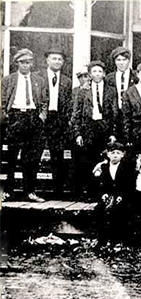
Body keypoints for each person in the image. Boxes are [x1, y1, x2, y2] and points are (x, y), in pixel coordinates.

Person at [1, 48, 47, 202]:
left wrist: (42, 116)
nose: (26, 65)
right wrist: (6, 118)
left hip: (33, 118)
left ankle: (30, 192)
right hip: (15, 117)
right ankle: (8, 192)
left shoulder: (39, 80)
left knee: (31, 158)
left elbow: (44, 101)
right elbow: (2, 102)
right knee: (12, 157)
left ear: (32, 63)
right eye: (22, 62)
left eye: (28, 62)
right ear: (17, 64)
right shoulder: (8, 80)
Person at [71, 60, 117, 198]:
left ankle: (102, 192)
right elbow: (76, 113)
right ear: (90, 74)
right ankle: (89, 192)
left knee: (103, 160)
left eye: (100, 71)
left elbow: (114, 113)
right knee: (88, 161)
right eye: (94, 71)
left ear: (104, 74)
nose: (97, 74)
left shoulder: (111, 90)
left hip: (104, 127)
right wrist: (78, 133)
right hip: (88, 128)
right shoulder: (83, 91)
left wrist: (113, 133)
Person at [36, 47, 73, 198]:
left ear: (63, 62)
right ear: (47, 60)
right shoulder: (38, 77)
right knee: (36, 152)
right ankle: (34, 190)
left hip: (59, 120)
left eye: (60, 59)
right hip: (41, 118)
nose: (57, 62)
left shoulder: (66, 81)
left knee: (57, 155)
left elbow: (69, 103)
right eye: (54, 58)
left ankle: (57, 191)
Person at [93, 142, 134, 240]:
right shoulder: (104, 167)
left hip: (122, 196)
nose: (115, 155)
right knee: (99, 210)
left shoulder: (127, 168)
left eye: (118, 153)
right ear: (108, 154)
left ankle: (119, 239)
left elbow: (129, 185)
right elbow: (100, 184)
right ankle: (103, 239)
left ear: (122, 155)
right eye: (113, 153)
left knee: (122, 212)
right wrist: (103, 194)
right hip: (108, 195)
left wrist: (122, 195)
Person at [105, 47, 138, 141]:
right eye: (118, 60)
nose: (121, 63)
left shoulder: (136, 77)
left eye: (124, 60)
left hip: (132, 117)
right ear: (115, 61)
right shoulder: (109, 78)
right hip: (115, 116)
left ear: (129, 61)